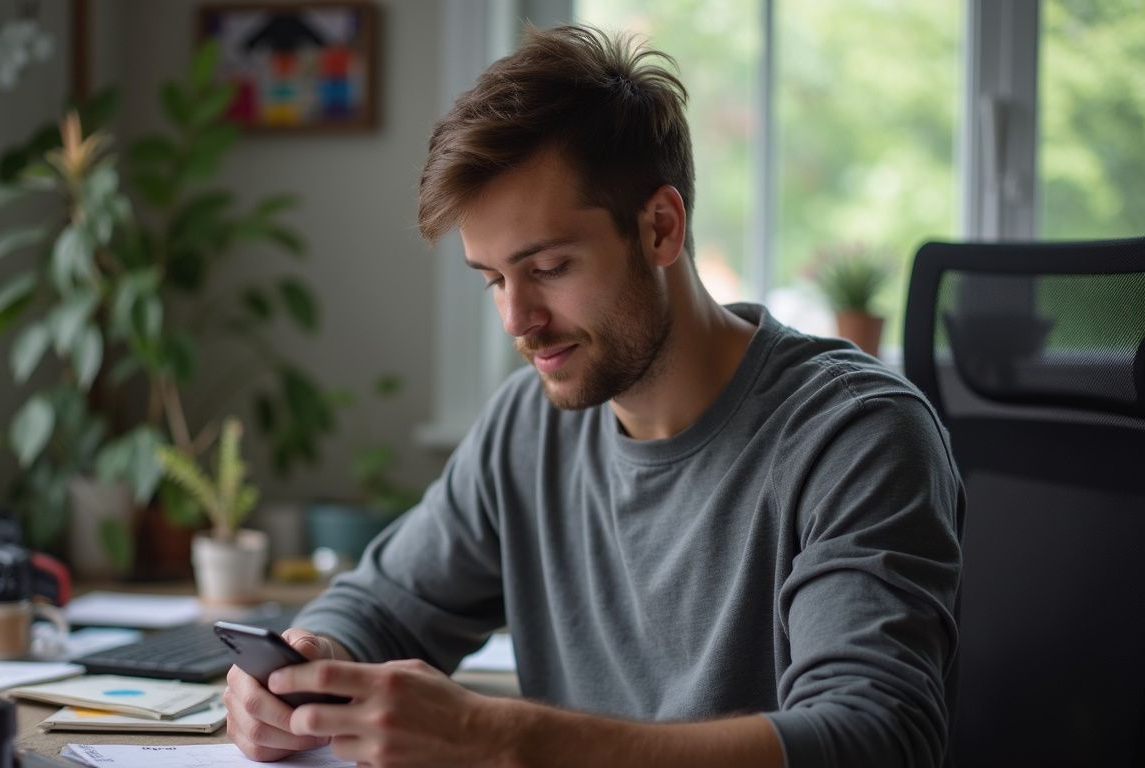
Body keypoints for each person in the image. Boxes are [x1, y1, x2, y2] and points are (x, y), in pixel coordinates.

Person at [225, 25, 962, 768]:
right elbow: (381, 605)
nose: (517, 319)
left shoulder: (858, 434)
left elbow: (877, 738)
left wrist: (503, 738)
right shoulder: (527, 424)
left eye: (547, 266)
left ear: (661, 229)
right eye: (492, 279)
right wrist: (304, 665)